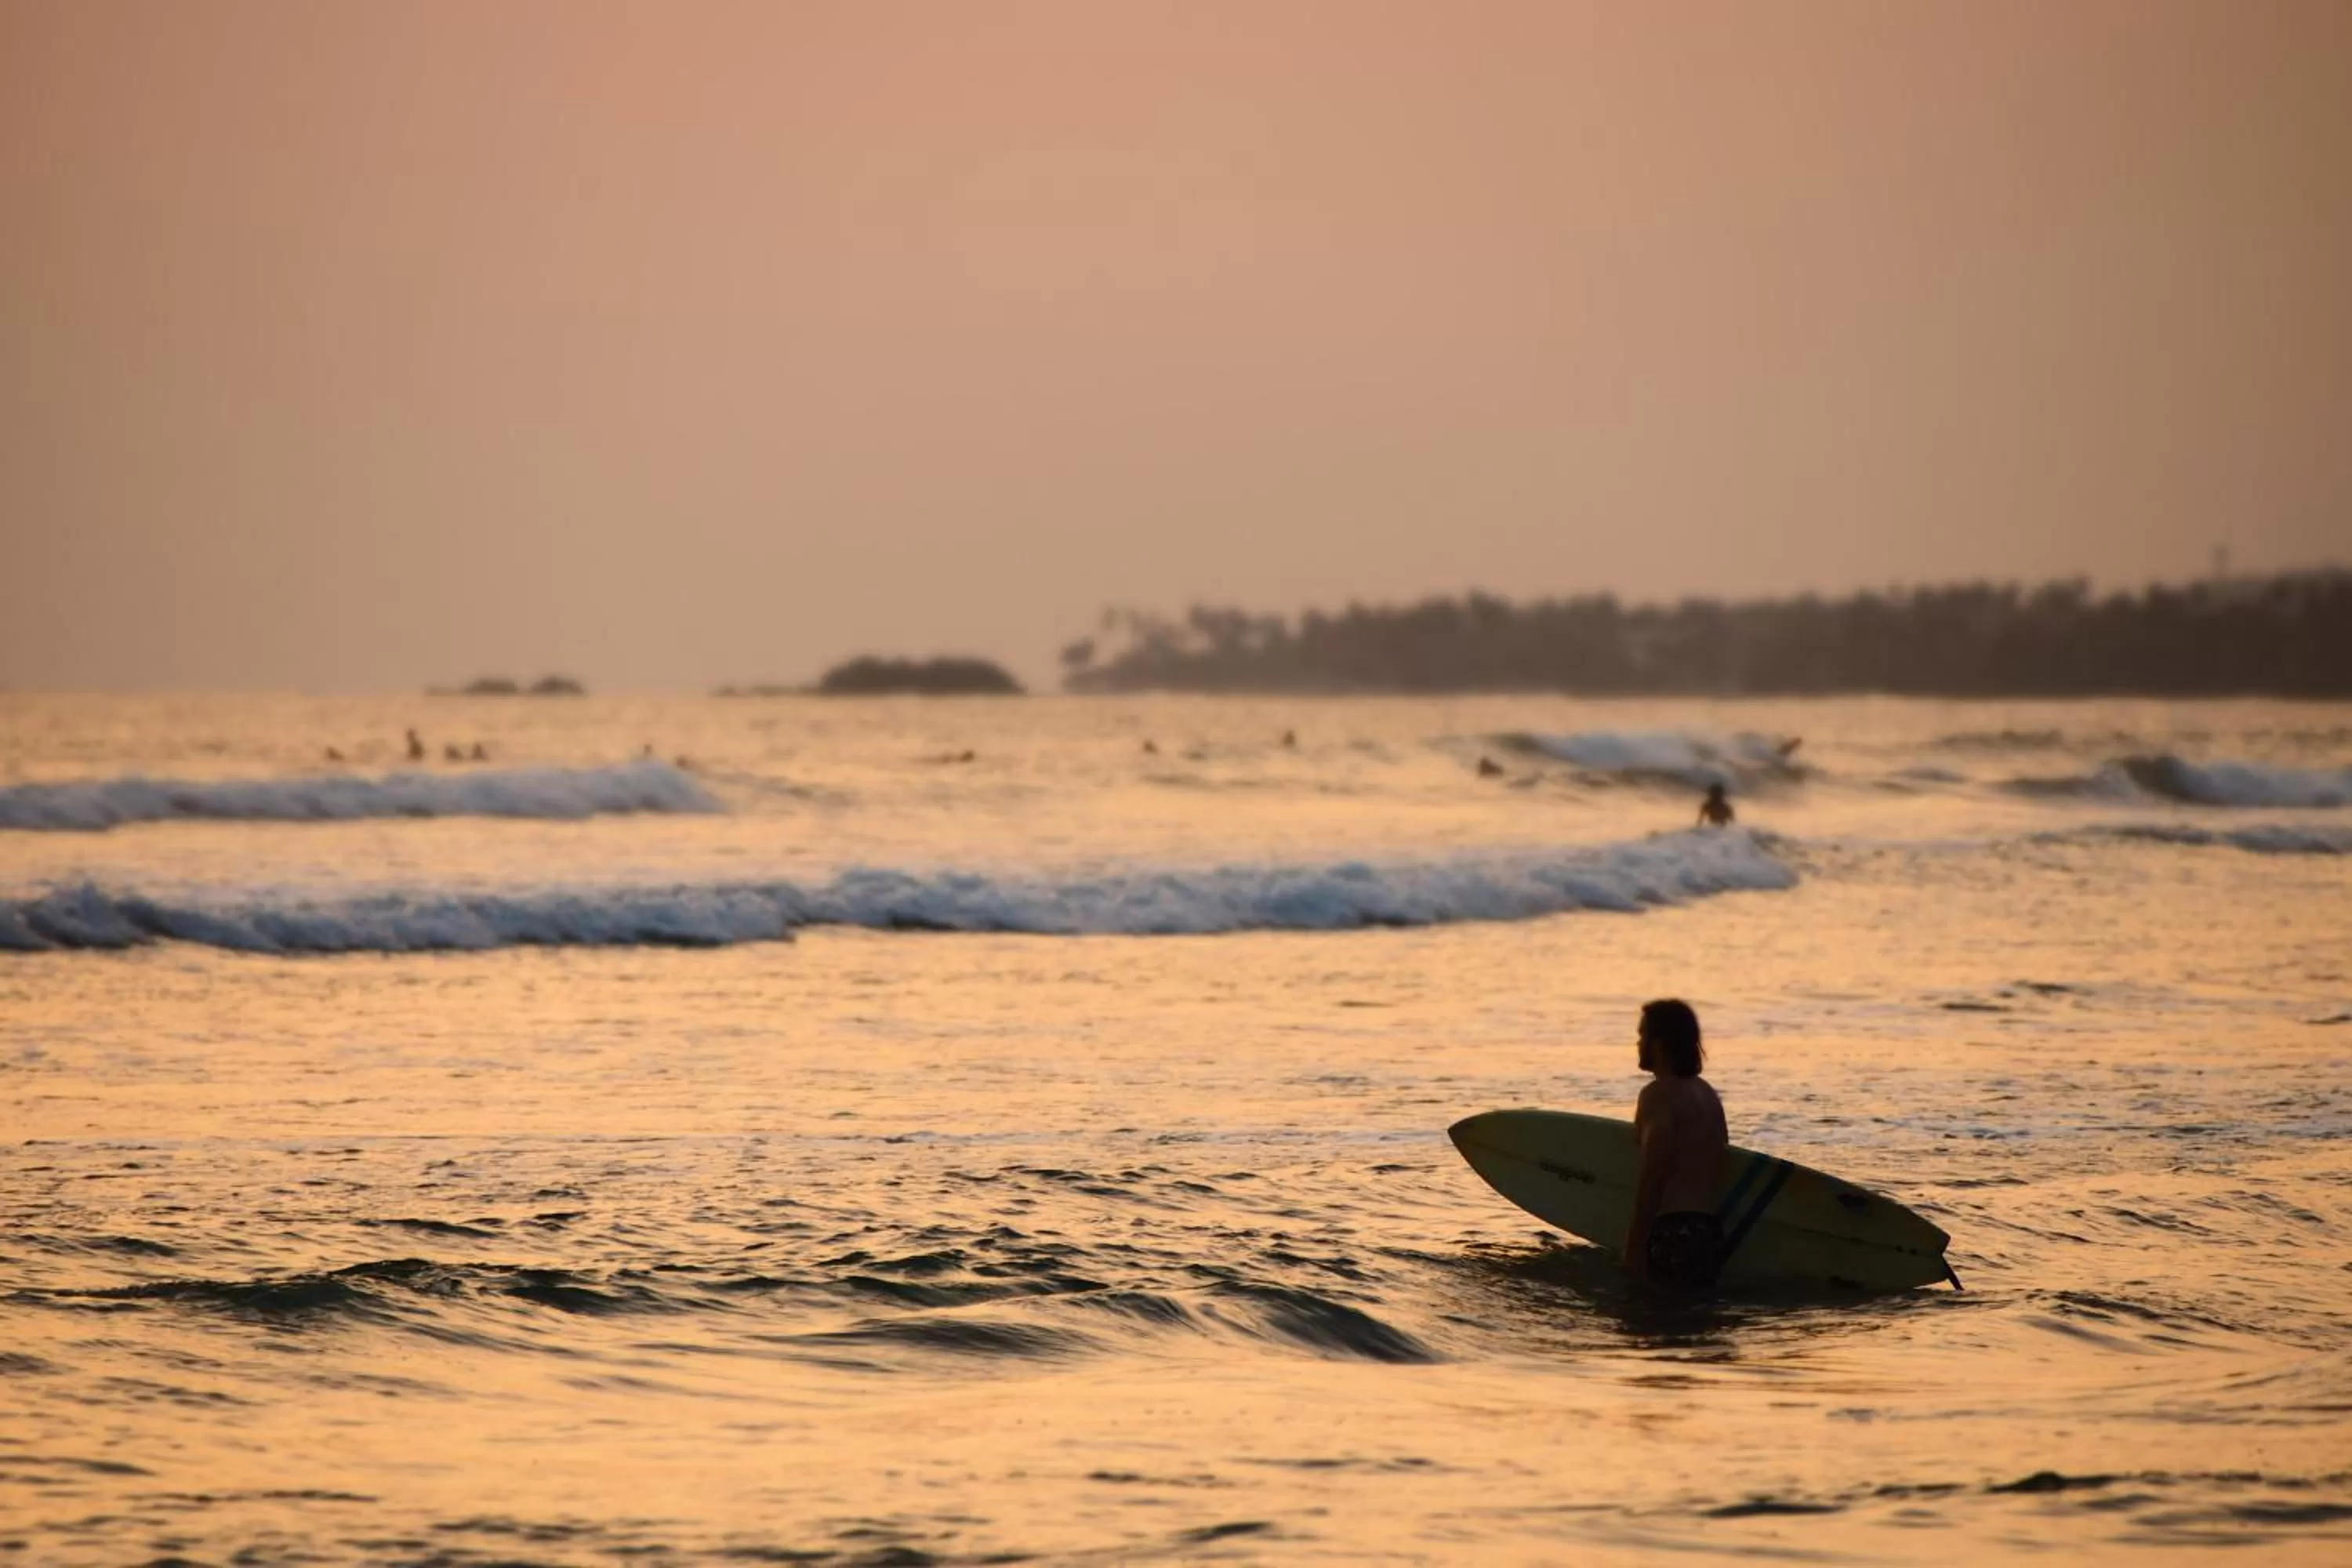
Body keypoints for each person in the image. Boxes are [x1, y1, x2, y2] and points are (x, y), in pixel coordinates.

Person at [1624, 999, 1729, 1290]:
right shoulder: (1708, 1096)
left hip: (1674, 1231)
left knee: (1651, 1326)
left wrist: (1634, 1244)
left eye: (1642, 1035)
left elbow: (1655, 1169)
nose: (1638, 1043)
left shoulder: (1658, 1095)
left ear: (1659, 1043)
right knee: (1695, 1326)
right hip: (1709, 1232)